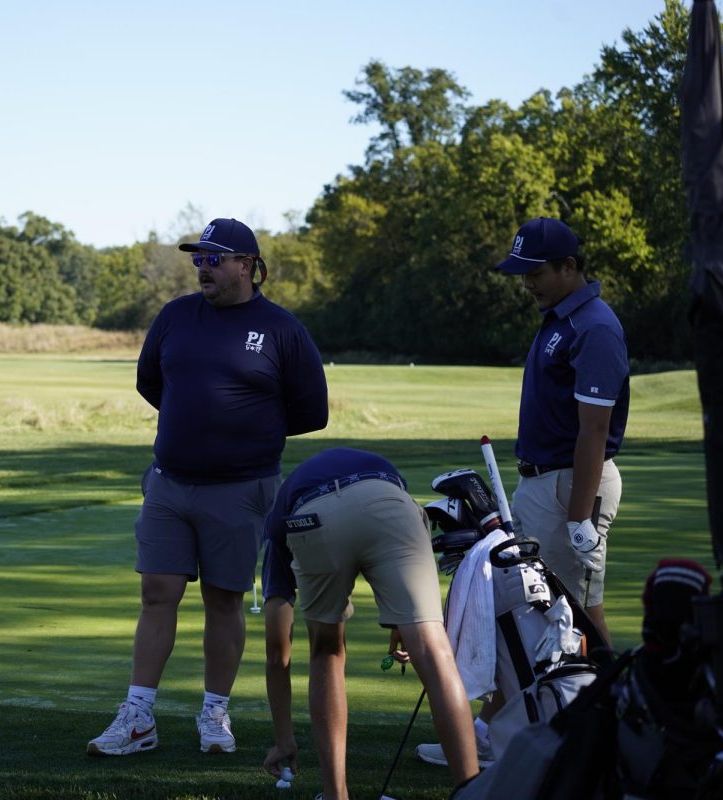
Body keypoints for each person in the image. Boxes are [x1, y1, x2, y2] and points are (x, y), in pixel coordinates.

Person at [88, 218, 328, 757]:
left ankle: (214, 713)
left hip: (242, 489)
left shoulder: (281, 328)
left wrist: (245, 428)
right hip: (170, 484)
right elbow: (150, 383)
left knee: (225, 601)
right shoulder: (175, 316)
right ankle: (138, 716)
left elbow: (313, 411)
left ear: (248, 265)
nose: (203, 269)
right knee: (157, 595)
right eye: (198, 259)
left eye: (214, 259)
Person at [417, 217, 629, 768]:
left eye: (535, 272)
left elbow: (594, 431)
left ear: (569, 267)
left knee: (559, 615)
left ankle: (611, 726)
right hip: (547, 482)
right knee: (538, 608)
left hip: (570, 486)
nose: (526, 283)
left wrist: (579, 517)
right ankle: (504, 726)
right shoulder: (559, 320)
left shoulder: (594, 326)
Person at [261, 448, 480, 800]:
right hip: (391, 500)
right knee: (434, 650)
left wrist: (283, 740)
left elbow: (277, 651)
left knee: (326, 651)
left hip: (313, 516)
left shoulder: (276, 524)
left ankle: (336, 795)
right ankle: (475, 792)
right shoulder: (376, 468)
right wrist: (402, 623)